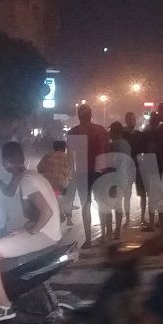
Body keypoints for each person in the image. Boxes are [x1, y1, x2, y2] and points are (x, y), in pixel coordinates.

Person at [0, 142, 62, 324]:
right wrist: (26, 228)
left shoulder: (27, 180)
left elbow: (47, 212)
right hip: (47, 232)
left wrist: (32, 231)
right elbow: (11, 191)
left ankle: (4, 306)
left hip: (44, 235)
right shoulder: (30, 175)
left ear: (6, 162)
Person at [67, 104, 110, 247]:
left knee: (86, 205)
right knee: (102, 203)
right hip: (100, 172)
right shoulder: (101, 130)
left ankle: (88, 240)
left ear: (78, 116)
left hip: (82, 173)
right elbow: (107, 151)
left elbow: (69, 157)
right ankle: (104, 235)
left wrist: (72, 174)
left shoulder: (73, 132)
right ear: (91, 115)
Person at [102, 121, 132, 242]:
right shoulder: (127, 144)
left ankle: (109, 231)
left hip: (113, 177)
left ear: (114, 132)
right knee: (118, 204)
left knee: (109, 204)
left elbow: (111, 162)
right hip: (124, 177)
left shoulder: (113, 145)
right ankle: (117, 231)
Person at [38, 139, 73, 223]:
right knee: (67, 198)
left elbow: (39, 168)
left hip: (48, 185)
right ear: (64, 148)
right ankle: (66, 216)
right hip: (62, 185)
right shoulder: (68, 158)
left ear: (53, 148)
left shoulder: (47, 156)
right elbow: (70, 173)